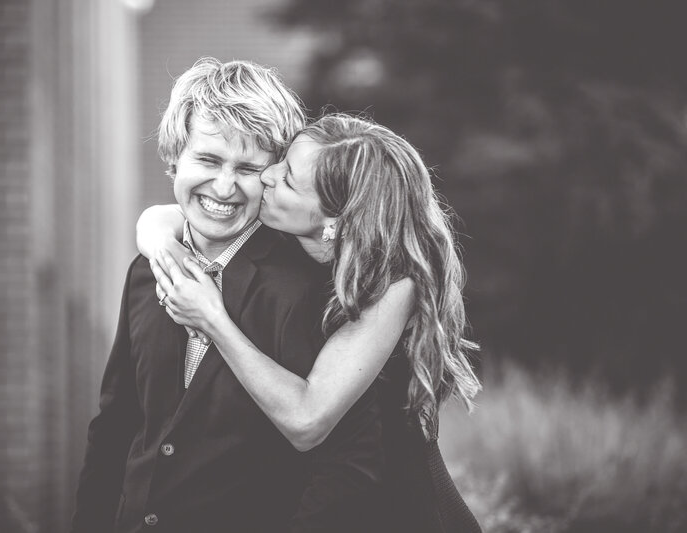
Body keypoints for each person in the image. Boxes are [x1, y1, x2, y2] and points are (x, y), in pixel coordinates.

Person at [71, 59, 384, 533]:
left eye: (247, 169)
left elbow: (348, 466)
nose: (223, 187)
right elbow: (117, 427)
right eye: (209, 160)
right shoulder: (145, 270)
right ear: (175, 156)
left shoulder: (309, 288)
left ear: (274, 175)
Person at [141, 113, 483, 532]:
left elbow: (307, 421)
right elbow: (165, 214)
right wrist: (158, 239)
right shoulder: (290, 240)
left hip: (389, 509)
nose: (267, 176)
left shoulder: (392, 285)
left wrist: (212, 318)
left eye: (287, 179)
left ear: (334, 220)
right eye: (281, 163)